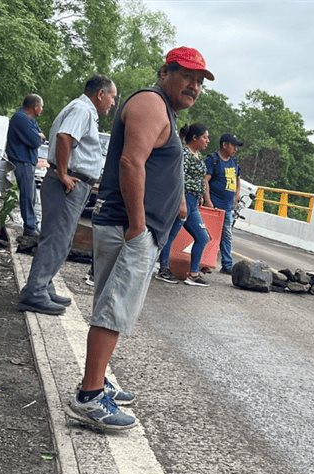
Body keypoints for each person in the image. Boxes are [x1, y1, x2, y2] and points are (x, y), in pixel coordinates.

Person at [64, 47, 213, 431]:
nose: (194, 86)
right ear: (166, 72)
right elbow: (132, 161)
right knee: (114, 310)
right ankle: (90, 396)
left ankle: (97, 382)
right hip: (130, 228)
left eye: (199, 81)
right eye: (187, 77)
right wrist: (138, 224)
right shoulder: (151, 102)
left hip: (137, 227)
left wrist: (176, 203)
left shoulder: (164, 109)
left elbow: (157, 162)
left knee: (112, 307)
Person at [17, 76, 117, 315]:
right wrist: (63, 173)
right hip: (68, 182)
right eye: (112, 96)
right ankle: (35, 292)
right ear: (100, 94)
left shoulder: (81, 109)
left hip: (73, 182)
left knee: (59, 238)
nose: (113, 102)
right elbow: (65, 137)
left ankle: (43, 284)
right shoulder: (83, 110)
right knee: (56, 239)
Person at [156, 123, 211, 286]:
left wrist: (201, 195)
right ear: (194, 138)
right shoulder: (184, 154)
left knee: (202, 237)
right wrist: (182, 202)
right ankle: (164, 268)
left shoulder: (197, 155)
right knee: (170, 234)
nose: (207, 141)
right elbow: (179, 178)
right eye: (204, 137)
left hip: (193, 202)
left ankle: (193, 274)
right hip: (183, 199)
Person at [6, 94, 45, 237]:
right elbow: (36, 140)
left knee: (32, 194)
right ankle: (29, 227)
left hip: (27, 161)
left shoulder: (29, 119)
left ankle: (32, 223)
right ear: (35, 107)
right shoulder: (21, 118)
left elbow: (41, 135)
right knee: (27, 195)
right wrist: (38, 137)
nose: (42, 109)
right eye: (41, 107)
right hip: (22, 160)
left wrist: (39, 136)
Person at [204, 133, 243, 275]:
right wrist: (208, 201)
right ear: (224, 145)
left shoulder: (234, 162)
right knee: (209, 236)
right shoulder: (212, 160)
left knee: (226, 236)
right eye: (233, 146)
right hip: (214, 206)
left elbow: (237, 179)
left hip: (227, 207)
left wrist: (236, 196)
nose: (235, 149)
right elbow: (205, 181)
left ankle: (227, 264)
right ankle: (205, 262)